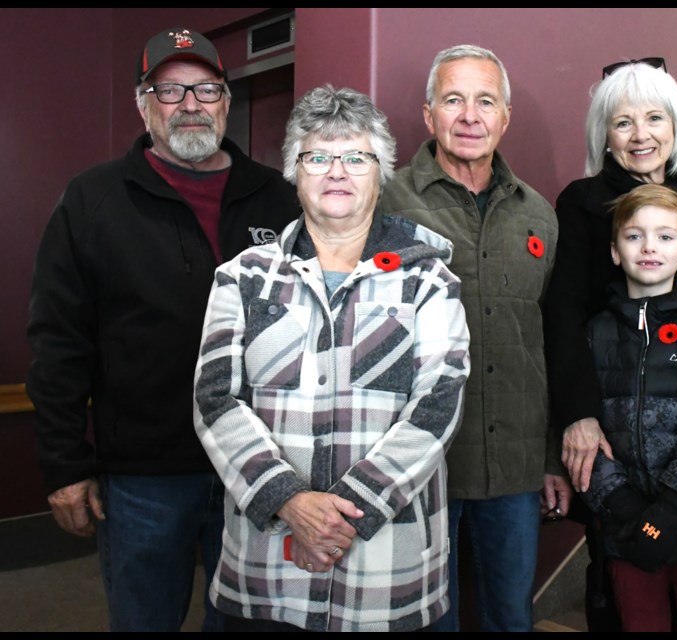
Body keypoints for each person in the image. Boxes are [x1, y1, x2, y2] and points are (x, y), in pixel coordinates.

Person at [25, 27, 300, 631]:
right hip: (145, 477)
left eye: (205, 88)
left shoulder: (280, 201)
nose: (191, 104)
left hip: (260, 469)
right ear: (142, 103)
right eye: (169, 91)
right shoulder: (93, 200)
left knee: (254, 624)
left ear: (226, 99)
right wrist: (66, 464)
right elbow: (57, 342)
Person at [193, 85, 470, 632]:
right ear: (296, 171)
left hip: (385, 570)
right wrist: (290, 501)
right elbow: (215, 399)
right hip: (269, 567)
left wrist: (343, 514)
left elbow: (438, 403)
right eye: (318, 156)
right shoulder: (242, 277)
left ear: (380, 170)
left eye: (355, 157)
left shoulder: (428, 278)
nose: (336, 171)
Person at [542, 58, 677, 630]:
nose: (640, 135)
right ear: (603, 134)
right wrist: (577, 416)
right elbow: (563, 314)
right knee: (619, 581)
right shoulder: (582, 202)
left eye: (654, 118)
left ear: (676, 123)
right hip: (610, 398)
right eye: (622, 122)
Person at [379, 44, 571, 632]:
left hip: (513, 467)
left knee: (508, 617)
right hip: (417, 463)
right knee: (424, 620)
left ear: (504, 117)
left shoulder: (539, 214)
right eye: (454, 99)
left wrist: (548, 457)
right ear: (429, 113)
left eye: (485, 101)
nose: (470, 115)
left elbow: (548, 341)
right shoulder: (384, 202)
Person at [581, 184, 677, 632]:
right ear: (614, 251)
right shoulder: (594, 332)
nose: (650, 247)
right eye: (634, 236)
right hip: (624, 532)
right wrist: (627, 510)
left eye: (665, 237)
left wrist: (669, 509)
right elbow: (583, 428)